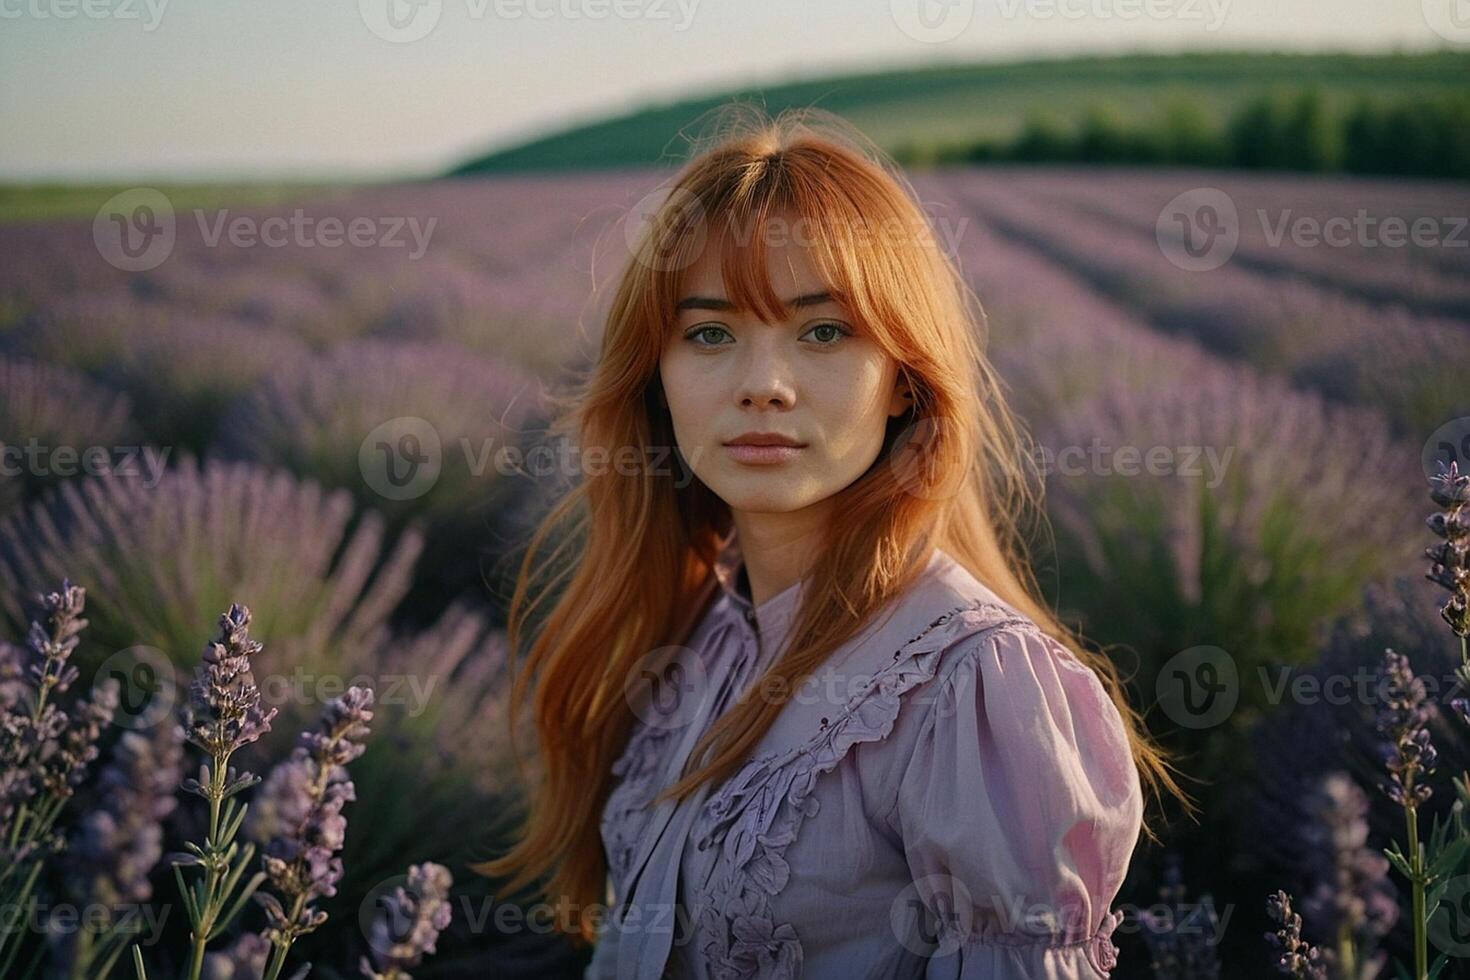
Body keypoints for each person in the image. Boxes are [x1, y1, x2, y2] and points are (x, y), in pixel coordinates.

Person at [470, 105, 1192, 979]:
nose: (763, 385)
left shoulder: (973, 688)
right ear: (656, 380)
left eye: (823, 332)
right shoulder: (702, 626)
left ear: (903, 383)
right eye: (709, 334)